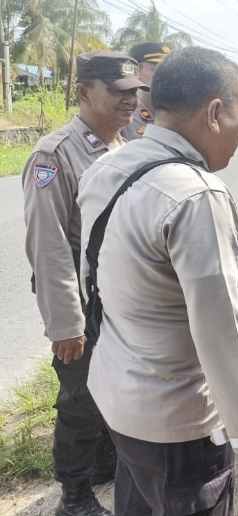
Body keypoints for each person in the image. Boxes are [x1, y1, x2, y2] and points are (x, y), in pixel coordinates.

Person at [77, 47, 238, 515]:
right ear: (215, 113)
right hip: (178, 422)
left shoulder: (107, 168)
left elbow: (92, 282)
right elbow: (222, 333)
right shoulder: (196, 194)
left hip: (119, 398)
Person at [21, 50, 145, 516]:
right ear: (84, 93)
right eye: (118, 93)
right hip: (80, 291)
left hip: (119, 288)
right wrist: (66, 325)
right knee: (79, 394)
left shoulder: (126, 144)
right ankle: (73, 496)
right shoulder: (54, 154)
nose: (129, 102)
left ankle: (101, 463)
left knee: (115, 383)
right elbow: (49, 246)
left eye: (134, 93)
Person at [121, 42, 170, 140]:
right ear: (136, 70)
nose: (166, 77)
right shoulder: (122, 112)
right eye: (156, 70)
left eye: (169, 71)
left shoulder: (174, 114)